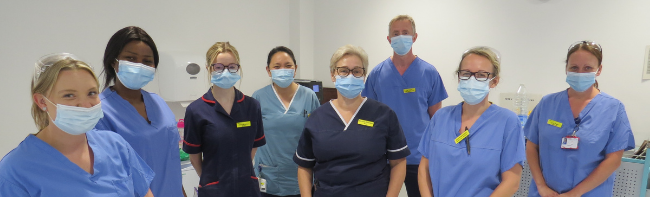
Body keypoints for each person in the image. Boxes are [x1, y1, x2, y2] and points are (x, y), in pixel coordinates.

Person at [0, 53, 154, 196]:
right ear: (41, 101)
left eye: (91, 93)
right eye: (69, 95)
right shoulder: (15, 170)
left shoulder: (116, 146)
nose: (85, 105)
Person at [294, 45, 409, 197]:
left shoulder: (383, 115)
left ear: (364, 75)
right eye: (343, 70)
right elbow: (304, 166)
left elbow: (398, 162)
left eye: (356, 71)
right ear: (333, 75)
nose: (350, 76)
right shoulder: (317, 118)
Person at [525, 41, 635, 197]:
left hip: (590, 193)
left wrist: (575, 193)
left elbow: (613, 160)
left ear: (599, 70)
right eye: (574, 68)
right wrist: (541, 186)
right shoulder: (547, 104)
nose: (580, 73)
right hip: (545, 193)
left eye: (588, 68)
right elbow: (531, 147)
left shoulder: (613, 108)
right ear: (566, 69)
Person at [417, 47, 525, 197]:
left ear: (494, 81)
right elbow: (424, 168)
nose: (472, 79)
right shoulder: (440, 118)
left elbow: (511, 182)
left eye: (481, 75)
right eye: (466, 73)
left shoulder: (508, 122)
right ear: (459, 77)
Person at [361, 15, 447, 197]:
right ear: (388, 39)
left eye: (405, 33)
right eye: (396, 33)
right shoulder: (377, 74)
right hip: (384, 156)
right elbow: (368, 118)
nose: (400, 37)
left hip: (418, 156)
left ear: (415, 37)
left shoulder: (429, 73)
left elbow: (436, 120)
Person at [95, 26, 185, 197]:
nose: (140, 66)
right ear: (114, 62)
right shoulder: (99, 111)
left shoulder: (159, 103)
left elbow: (171, 162)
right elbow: (106, 175)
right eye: (131, 58)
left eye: (147, 61)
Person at [183, 42, 266, 197]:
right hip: (215, 190)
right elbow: (194, 157)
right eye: (219, 67)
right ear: (209, 68)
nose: (226, 72)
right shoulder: (196, 110)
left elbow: (253, 148)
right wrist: (211, 181)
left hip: (247, 188)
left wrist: (239, 173)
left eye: (232, 67)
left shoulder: (251, 106)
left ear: (238, 68)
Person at [253, 46, 320, 197]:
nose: (283, 69)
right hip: (269, 176)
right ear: (268, 70)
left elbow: (318, 136)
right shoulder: (258, 97)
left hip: (302, 176)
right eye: (277, 66)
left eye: (288, 65)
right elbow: (251, 139)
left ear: (295, 68)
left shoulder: (309, 96)